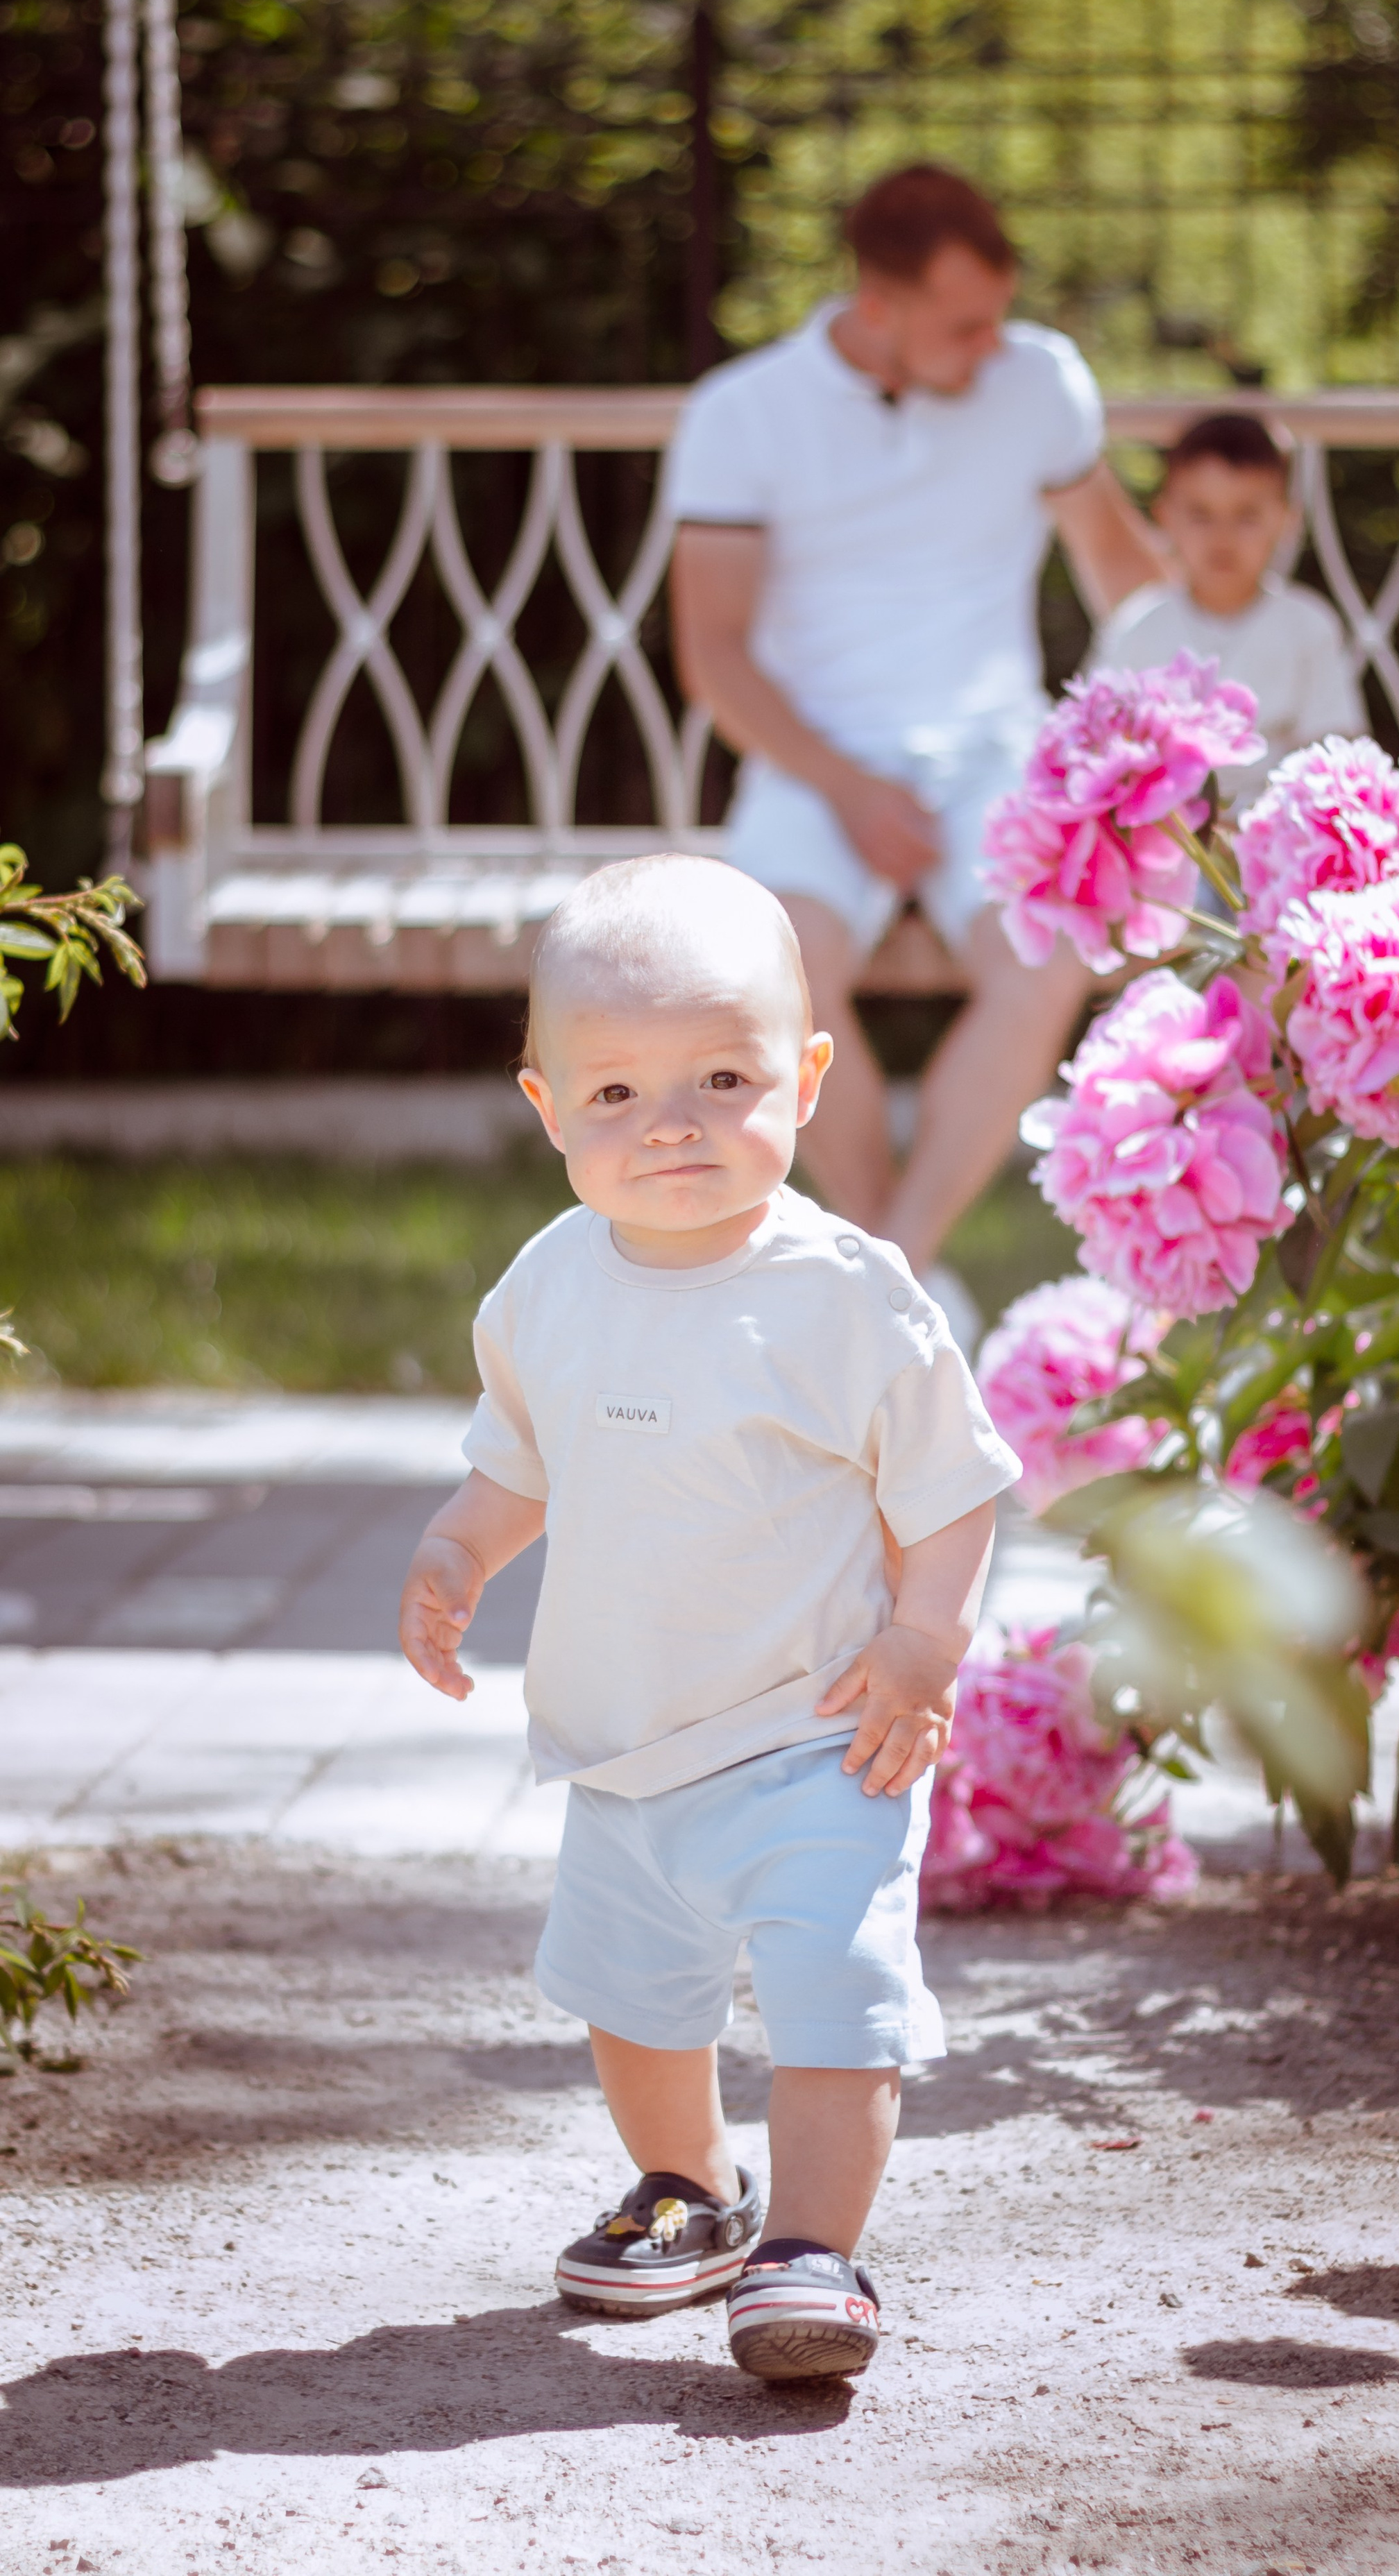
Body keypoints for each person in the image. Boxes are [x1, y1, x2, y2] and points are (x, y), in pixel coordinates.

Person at [397, 854, 1019, 2384]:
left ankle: (812, 2251)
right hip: (622, 1742)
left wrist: (924, 1639)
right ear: (544, 1107)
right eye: (612, 1096)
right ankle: (691, 2191)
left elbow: (949, 1487)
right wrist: (457, 1551)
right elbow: (519, 1457)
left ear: (806, 1081)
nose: (668, 1123)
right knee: (635, 2001)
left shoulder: (844, 1291)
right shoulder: (548, 1284)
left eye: (720, 1078)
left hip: (820, 1729)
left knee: (832, 1999)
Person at [665, 161, 1166, 1314]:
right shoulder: (743, 415)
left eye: (999, 314)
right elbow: (718, 656)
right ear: (878, 305)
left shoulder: (1037, 382)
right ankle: (903, 1286)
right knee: (772, 976)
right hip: (812, 761)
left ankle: (885, 1277)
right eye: (965, 323)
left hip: (995, 759)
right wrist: (847, 790)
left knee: (1046, 959)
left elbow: (1125, 581)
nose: (994, 344)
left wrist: (1171, 738)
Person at [1095, 412, 1366, 812]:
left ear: (1287, 521)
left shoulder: (1309, 625)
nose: (1223, 537)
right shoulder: (1136, 625)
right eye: (1201, 515)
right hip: (1167, 841)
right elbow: (1103, 743)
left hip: (1280, 839)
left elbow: (1334, 748)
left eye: (1247, 516)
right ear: (1165, 517)